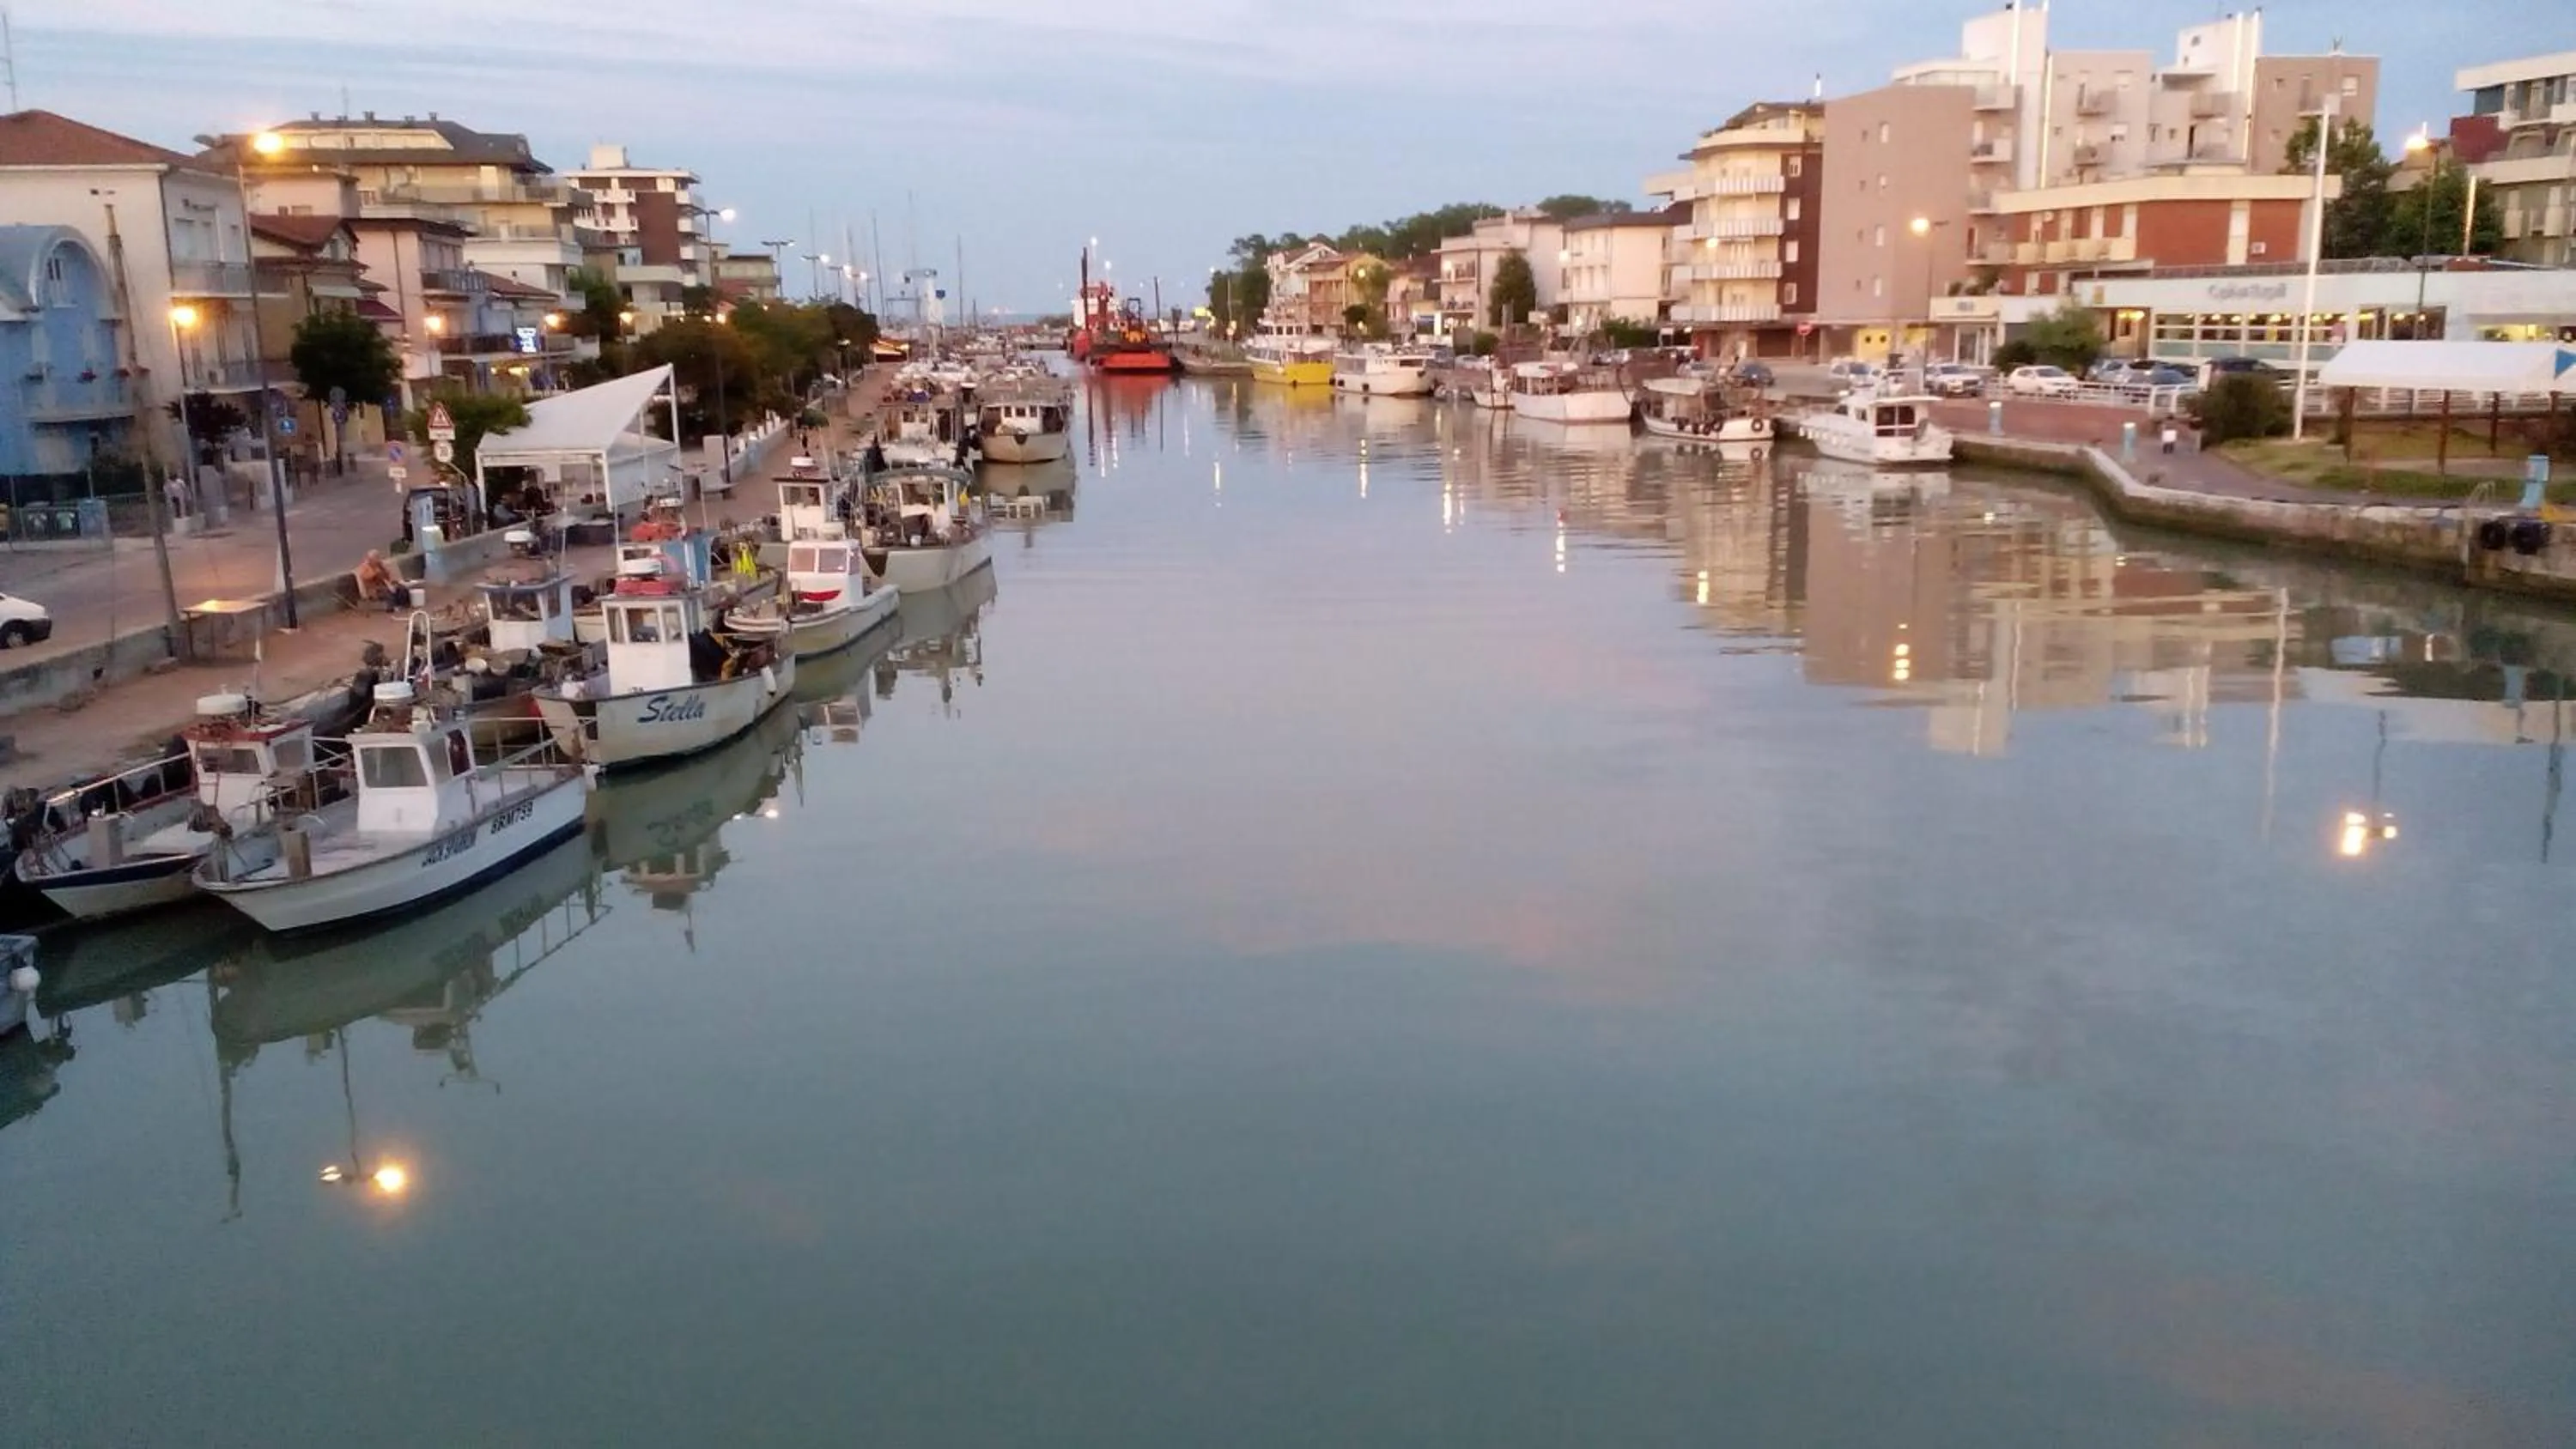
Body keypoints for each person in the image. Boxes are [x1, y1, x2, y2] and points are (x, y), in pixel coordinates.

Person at [355, 549, 404, 613]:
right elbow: (365, 577)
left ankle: (400, 605)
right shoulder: (365, 567)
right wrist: (375, 572)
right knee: (387, 591)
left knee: (401, 588)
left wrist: (390, 582)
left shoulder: (380, 565)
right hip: (374, 589)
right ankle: (391, 608)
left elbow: (387, 575)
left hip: (385, 584)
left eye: (377, 558)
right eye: (375, 558)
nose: (377, 560)